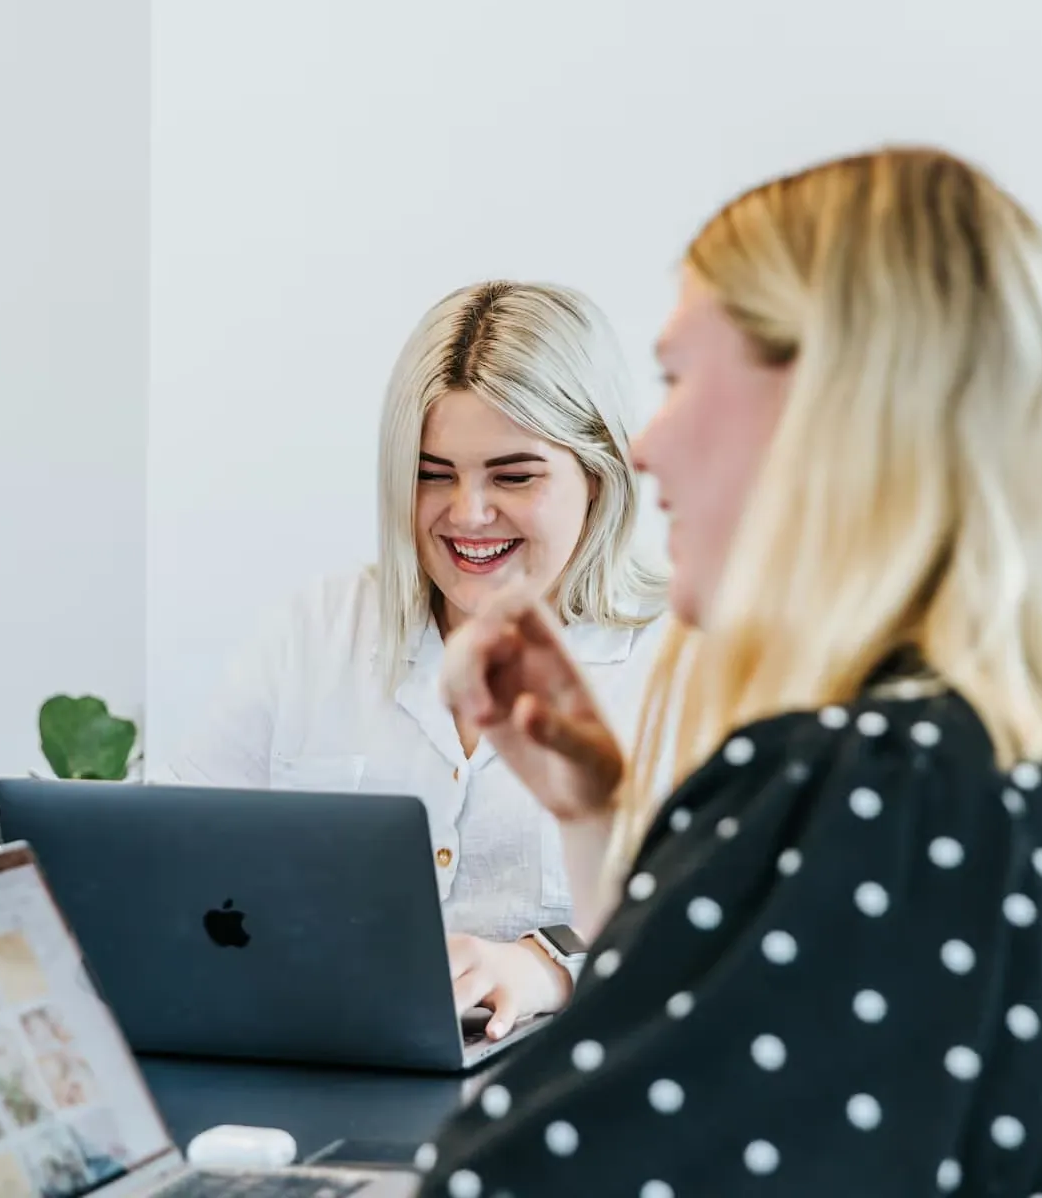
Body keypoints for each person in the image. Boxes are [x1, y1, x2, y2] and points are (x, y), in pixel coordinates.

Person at [420, 147, 1042, 1196]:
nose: (643, 446)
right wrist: (595, 816)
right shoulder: (982, 760)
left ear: (828, 404)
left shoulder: (864, 786)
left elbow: (526, 1181)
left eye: (675, 379)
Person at [155, 281, 669, 1037]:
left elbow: (720, 926)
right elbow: (168, 850)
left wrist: (550, 964)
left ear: (599, 474)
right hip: (321, 1065)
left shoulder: (682, 659)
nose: (466, 513)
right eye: (433, 473)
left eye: (514, 475)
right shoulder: (318, 631)